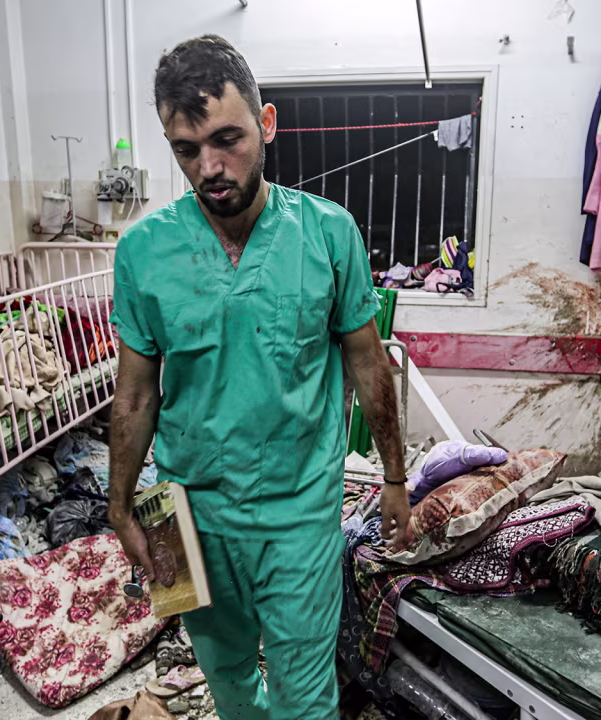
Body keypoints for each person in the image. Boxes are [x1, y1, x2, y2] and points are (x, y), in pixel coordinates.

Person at [107, 35, 411, 720]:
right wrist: (119, 504)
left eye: (227, 139)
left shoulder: (329, 235)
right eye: (186, 149)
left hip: (297, 509)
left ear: (266, 124)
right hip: (182, 511)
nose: (210, 166)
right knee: (227, 679)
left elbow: (369, 363)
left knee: (304, 699)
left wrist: (393, 478)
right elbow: (135, 393)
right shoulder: (143, 252)